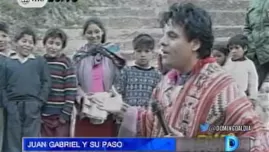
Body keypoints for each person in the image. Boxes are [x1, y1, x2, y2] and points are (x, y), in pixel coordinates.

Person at [89, 3, 269, 151]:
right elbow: (153, 124)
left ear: (195, 43)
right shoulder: (167, 82)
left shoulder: (222, 87)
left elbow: (252, 138)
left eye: (172, 36)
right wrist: (123, 110)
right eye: (164, 35)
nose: (162, 42)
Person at [72, 18, 125, 137]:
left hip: (107, 107)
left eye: (97, 31)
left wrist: (109, 96)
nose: (93, 35)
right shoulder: (79, 56)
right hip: (86, 107)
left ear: (102, 32)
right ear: (84, 34)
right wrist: (83, 97)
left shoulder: (112, 53)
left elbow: (119, 79)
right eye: (89, 32)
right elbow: (73, 81)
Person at [2, 27, 51, 152]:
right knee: (13, 140)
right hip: (13, 105)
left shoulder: (39, 62)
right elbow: (1, 86)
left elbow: (46, 83)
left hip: (32, 105)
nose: (27, 45)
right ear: (16, 42)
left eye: (31, 42)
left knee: (31, 141)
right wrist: (7, 104)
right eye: (24, 41)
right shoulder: (7, 63)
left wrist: (39, 102)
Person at [41, 28, 77, 137]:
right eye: (50, 43)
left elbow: (71, 90)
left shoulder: (66, 63)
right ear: (45, 43)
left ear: (62, 47)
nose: (53, 47)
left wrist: (65, 114)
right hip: (43, 115)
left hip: (60, 116)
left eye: (57, 44)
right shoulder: (40, 63)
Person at [114, 34, 161, 108]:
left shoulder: (157, 74)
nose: (143, 55)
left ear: (152, 53)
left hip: (147, 116)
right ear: (134, 53)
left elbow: (157, 97)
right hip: (128, 113)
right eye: (139, 51)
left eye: (147, 51)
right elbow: (118, 92)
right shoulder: (126, 71)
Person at [223, 34, 258, 100]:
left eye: (237, 48)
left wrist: (252, 97)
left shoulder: (249, 64)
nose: (233, 51)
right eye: (231, 48)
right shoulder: (227, 62)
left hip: (241, 96)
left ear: (245, 48)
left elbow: (253, 82)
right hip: (226, 96)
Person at [244, 0, 269, 90]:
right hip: (257, 52)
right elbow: (247, 27)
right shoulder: (253, 3)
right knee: (252, 89)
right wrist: (251, 43)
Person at [0, 21, 15, 152]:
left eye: (4, 35)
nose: (1, 39)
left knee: (11, 137)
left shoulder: (15, 57)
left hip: (13, 104)